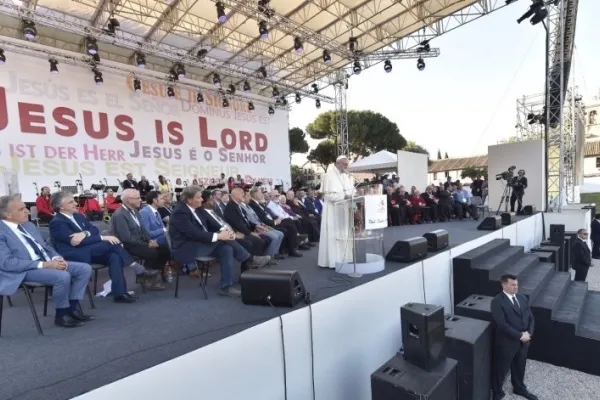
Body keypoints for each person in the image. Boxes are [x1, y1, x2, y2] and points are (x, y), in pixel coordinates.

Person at [0, 194, 94, 328]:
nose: (28, 211)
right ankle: (61, 315)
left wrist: (56, 258)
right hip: (21, 270)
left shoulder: (28, 225)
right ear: (7, 214)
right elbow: (7, 263)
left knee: (84, 269)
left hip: (44, 263)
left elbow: (45, 246)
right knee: (62, 276)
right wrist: (45, 264)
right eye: (21, 209)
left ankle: (71, 309)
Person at [48, 191, 156, 303]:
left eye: (74, 201)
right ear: (61, 207)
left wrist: (84, 234)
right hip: (74, 254)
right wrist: (102, 238)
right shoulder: (57, 222)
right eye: (71, 202)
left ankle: (120, 293)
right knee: (110, 242)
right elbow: (75, 242)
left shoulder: (78, 216)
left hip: (90, 250)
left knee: (114, 256)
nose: (76, 203)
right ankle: (136, 267)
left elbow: (94, 230)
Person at [168, 185, 270, 297]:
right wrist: (220, 236)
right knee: (223, 241)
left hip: (200, 244)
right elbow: (193, 234)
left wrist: (226, 232)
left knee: (226, 248)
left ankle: (226, 287)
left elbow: (213, 223)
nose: (202, 199)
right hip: (185, 248)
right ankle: (249, 259)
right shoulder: (179, 213)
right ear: (189, 199)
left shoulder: (198, 208)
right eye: (199, 197)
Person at [110, 189, 169, 290]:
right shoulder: (120, 215)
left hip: (139, 242)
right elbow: (126, 238)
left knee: (165, 249)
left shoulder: (135, 211)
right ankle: (147, 278)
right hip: (127, 245)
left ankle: (153, 276)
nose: (141, 200)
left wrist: (150, 240)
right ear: (129, 200)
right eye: (138, 198)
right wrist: (147, 245)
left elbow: (143, 229)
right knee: (153, 252)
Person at [490, 274, 538, 400]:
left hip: (524, 341)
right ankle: (497, 392)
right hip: (507, 342)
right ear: (504, 285)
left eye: (517, 284)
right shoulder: (497, 301)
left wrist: (529, 333)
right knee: (501, 368)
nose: (516, 287)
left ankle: (519, 388)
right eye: (512, 285)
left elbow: (530, 317)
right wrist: (520, 335)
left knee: (520, 365)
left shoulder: (521, 297)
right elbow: (502, 324)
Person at [318, 155, 354, 269]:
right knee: (333, 235)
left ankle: (345, 258)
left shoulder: (345, 175)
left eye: (347, 164)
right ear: (338, 163)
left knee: (344, 234)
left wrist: (352, 194)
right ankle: (333, 261)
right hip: (332, 211)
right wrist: (345, 195)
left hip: (344, 210)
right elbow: (328, 195)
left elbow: (351, 190)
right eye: (344, 164)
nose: (346, 166)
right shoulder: (328, 175)